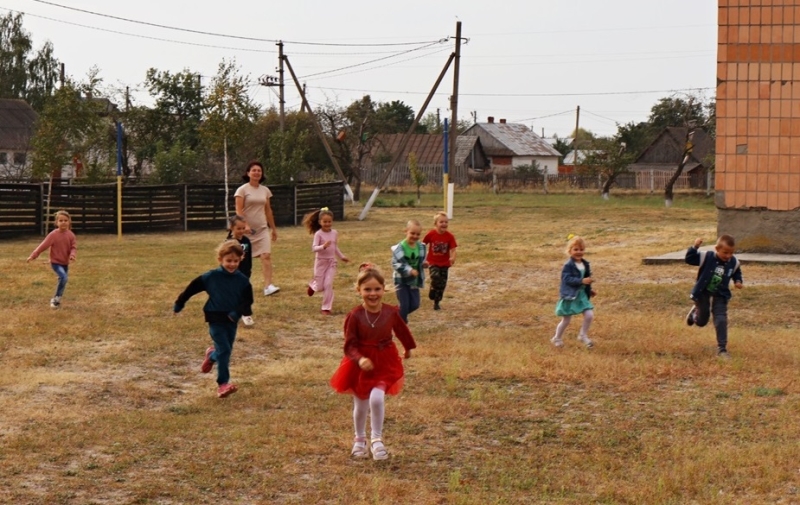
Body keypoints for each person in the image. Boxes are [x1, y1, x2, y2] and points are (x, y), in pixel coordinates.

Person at [330, 263, 417, 460]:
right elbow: (349, 345)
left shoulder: (390, 312)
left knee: (377, 398)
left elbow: (402, 330)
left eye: (377, 289)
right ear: (358, 290)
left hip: (384, 360)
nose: (373, 294)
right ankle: (359, 439)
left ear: (384, 289)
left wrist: (408, 347)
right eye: (367, 289)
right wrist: (359, 359)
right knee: (360, 405)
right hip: (360, 364)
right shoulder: (354, 316)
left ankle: (377, 440)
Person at [173, 240, 254, 398]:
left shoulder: (243, 280)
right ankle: (223, 384)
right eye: (228, 261)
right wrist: (179, 303)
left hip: (232, 321)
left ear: (241, 260)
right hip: (215, 318)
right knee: (225, 350)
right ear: (220, 260)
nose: (232, 264)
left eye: (235, 261)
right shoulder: (211, 277)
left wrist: (237, 313)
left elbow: (247, 301)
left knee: (225, 351)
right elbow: (191, 289)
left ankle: (211, 356)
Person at [684, 235, 743, 359]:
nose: (728, 256)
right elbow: (689, 259)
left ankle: (722, 349)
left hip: (721, 294)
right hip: (703, 292)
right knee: (701, 322)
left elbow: (736, 271)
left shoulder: (733, 261)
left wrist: (738, 280)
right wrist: (695, 247)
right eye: (725, 252)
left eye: (731, 253)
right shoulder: (707, 257)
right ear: (717, 248)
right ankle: (695, 312)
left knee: (721, 319)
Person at [234, 160, 280, 296]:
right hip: (245, 231)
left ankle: (268, 286)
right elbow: (238, 209)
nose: (256, 173)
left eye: (259, 170)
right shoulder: (242, 190)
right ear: (248, 173)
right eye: (253, 170)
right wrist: (245, 225)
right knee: (242, 260)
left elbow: (268, 211)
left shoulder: (265, 190)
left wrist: (273, 229)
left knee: (266, 256)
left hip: (262, 229)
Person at [551, 235, 596, 349]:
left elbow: (586, 278)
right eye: (576, 249)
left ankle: (582, 335)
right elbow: (566, 279)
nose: (579, 252)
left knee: (589, 315)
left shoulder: (585, 264)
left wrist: (589, 290)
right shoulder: (568, 265)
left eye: (581, 249)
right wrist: (581, 281)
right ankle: (557, 338)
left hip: (581, 295)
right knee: (566, 319)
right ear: (570, 251)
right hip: (570, 295)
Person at [303, 207, 350, 315]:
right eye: (325, 222)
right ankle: (313, 285)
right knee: (320, 287)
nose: (327, 224)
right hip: (320, 262)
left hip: (331, 262)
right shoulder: (318, 234)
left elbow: (335, 247)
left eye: (329, 221)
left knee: (328, 284)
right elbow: (314, 248)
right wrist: (323, 246)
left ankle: (326, 307)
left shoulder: (334, 233)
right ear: (320, 222)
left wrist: (342, 257)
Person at [27, 210, 77, 309]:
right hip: (56, 262)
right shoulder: (53, 235)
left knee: (62, 280)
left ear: (69, 222)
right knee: (63, 278)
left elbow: (73, 247)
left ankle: (57, 299)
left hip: (65, 263)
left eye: (65, 220)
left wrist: (72, 255)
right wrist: (33, 255)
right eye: (61, 220)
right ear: (56, 222)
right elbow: (43, 246)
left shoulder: (71, 235)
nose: (63, 222)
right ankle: (56, 299)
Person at [391, 219, 427, 323]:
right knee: (405, 305)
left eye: (418, 234)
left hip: (414, 281)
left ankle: (397, 315)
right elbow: (395, 264)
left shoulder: (420, 247)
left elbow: (421, 259)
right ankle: (401, 323)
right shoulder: (400, 248)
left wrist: (424, 264)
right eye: (412, 233)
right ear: (405, 231)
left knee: (415, 304)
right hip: (401, 281)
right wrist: (409, 270)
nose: (415, 236)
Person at [422, 211, 458, 310]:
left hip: (445, 263)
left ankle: (436, 302)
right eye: (441, 222)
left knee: (442, 283)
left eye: (446, 222)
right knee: (435, 276)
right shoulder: (431, 234)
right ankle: (432, 288)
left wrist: (453, 257)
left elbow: (453, 249)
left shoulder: (449, 236)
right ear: (435, 224)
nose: (444, 224)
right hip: (433, 261)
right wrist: (422, 258)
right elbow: (423, 245)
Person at [226, 215, 255, 327]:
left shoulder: (246, 240)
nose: (241, 231)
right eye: (238, 229)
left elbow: (249, 257)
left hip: (245, 273)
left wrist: (248, 270)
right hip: (232, 274)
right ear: (232, 228)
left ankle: (246, 314)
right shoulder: (229, 242)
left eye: (243, 228)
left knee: (246, 293)